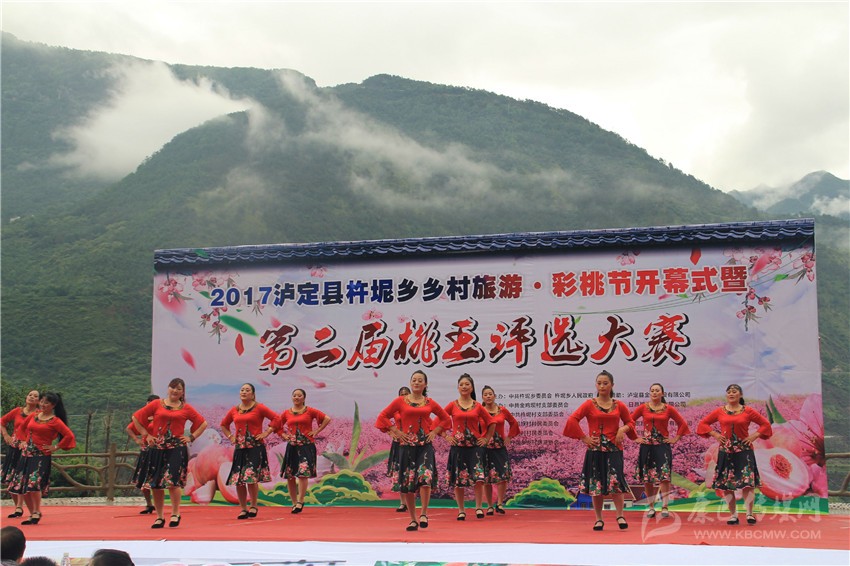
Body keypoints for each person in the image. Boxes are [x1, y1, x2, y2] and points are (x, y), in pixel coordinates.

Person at [376, 370, 450, 531]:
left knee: (425, 478)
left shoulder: (430, 402)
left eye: (420, 380)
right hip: (406, 447)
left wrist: (434, 432)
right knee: (408, 483)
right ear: (411, 383)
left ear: (425, 384)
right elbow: (382, 417)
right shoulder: (400, 401)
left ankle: (423, 514)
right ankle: (413, 519)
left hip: (425, 446)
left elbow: (445, 418)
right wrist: (395, 431)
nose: (416, 383)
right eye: (414, 380)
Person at [562, 370, 635, 531]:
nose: (602, 386)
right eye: (599, 383)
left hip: (614, 450)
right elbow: (572, 420)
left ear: (612, 385)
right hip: (595, 450)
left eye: (605, 383)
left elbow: (630, 422)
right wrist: (584, 438)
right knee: (597, 485)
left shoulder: (619, 405)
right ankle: (599, 519)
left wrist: (622, 429)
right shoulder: (589, 404)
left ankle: (620, 515)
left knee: (616, 483)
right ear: (596, 385)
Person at [132, 378, 208, 529]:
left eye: (179, 389)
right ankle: (160, 517)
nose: (175, 391)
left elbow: (202, 423)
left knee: (173, 481)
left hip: (176, 449)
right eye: (173, 387)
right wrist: (146, 435)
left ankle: (175, 513)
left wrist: (191, 437)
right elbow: (136, 417)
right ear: (168, 389)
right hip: (157, 448)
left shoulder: (186, 408)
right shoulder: (156, 404)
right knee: (156, 484)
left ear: (182, 392)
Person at [697, 383, 772, 525]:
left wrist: (754, 436)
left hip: (744, 451)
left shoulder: (748, 411)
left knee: (747, 483)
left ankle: (749, 514)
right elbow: (703, 424)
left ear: (740, 395)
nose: (731, 394)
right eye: (729, 392)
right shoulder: (720, 411)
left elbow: (765, 425)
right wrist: (715, 434)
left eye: (734, 391)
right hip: (726, 452)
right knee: (727, 484)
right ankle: (733, 515)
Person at [8, 392, 76, 526]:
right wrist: (22, 441)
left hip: (41, 455)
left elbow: (69, 435)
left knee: (34, 484)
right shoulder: (34, 415)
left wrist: (55, 447)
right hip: (26, 454)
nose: (43, 404)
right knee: (23, 485)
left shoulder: (55, 421)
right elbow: (22, 427)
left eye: (46, 403)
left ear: (53, 405)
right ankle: (32, 513)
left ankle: (36, 511)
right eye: (42, 401)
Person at [266, 388, 330, 514]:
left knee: (303, 474)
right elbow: (276, 425)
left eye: (299, 395)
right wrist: (283, 435)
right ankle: (294, 502)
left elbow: (327, 418)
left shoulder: (310, 411)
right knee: (290, 475)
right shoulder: (286, 413)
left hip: (306, 446)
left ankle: (300, 501)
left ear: (304, 398)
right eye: (294, 395)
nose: (296, 397)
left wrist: (317, 431)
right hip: (292, 447)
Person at [631, 383, 690, 518]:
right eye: (652, 390)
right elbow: (630, 421)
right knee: (648, 478)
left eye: (657, 390)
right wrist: (635, 438)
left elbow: (682, 424)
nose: (654, 393)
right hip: (647, 447)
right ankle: (651, 507)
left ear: (662, 393)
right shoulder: (643, 408)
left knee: (664, 477)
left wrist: (675, 439)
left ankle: (665, 506)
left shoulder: (668, 409)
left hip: (662, 447)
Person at [220, 383, 278, 519]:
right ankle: (243, 508)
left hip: (255, 448)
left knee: (251, 478)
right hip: (240, 448)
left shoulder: (259, 408)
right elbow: (224, 424)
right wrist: (231, 436)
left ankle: (253, 506)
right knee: (239, 479)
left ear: (253, 394)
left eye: (247, 390)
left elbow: (276, 418)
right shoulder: (235, 410)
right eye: (242, 390)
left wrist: (266, 432)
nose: (244, 392)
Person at [444, 373, 495, 520]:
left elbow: (492, 422)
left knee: (478, 479)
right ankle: (461, 510)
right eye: (461, 384)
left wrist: (486, 439)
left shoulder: (478, 406)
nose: (464, 387)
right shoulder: (452, 405)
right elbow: (439, 420)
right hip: (458, 448)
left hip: (475, 448)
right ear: (458, 388)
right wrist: (446, 436)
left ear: (472, 388)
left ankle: (478, 507)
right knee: (458, 481)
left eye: (467, 384)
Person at [481, 385, 520, 515]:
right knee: (486, 478)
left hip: (499, 447)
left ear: (495, 396)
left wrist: (509, 437)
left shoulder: (502, 410)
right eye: (485, 394)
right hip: (485, 448)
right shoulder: (480, 411)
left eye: (490, 394)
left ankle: (499, 503)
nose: (488, 396)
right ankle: (489, 506)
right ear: (482, 397)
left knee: (502, 476)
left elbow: (514, 423)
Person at [2, 390, 41, 519]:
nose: (32, 397)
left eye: (35, 396)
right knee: (11, 476)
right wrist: (6, 435)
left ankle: (22, 507)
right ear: (26, 397)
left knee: (21, 478)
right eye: (30, 395)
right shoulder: (17, 411)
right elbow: (2, 421)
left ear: (39, 401)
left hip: (28, 449)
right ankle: (17, 507)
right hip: (14, 447)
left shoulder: (38, 414)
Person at [125, 394, 160, 514]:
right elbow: (129, 428)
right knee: (144, 479)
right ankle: (149, 504)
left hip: (160, 451)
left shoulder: (162, 415)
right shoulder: (143, 416)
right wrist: (136, 439)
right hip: (146, 451)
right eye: (149, 403)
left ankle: (160, 506)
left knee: (159, 479)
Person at [386, 386, 412, 513]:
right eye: (402, 394)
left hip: (412, 443)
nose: (404, 396)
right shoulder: (395, 409)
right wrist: (391, 432)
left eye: (406, 394)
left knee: (411, 472)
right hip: (398, 444)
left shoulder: (415, 408)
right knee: (400, 471)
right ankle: (402, 503)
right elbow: (383, 420)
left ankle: (411, 502)